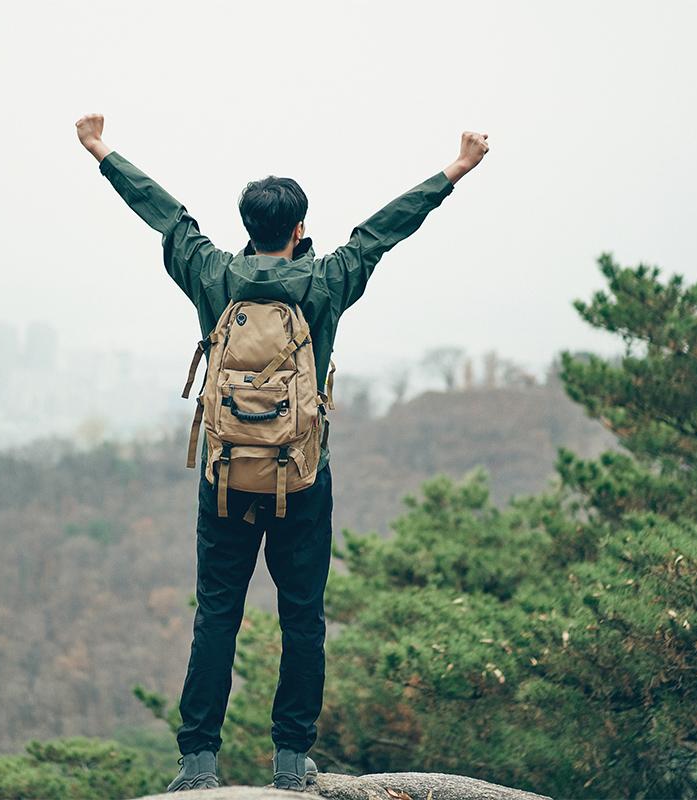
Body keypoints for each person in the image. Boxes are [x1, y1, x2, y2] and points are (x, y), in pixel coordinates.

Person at [75, 113, 489, 792]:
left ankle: (198, 761)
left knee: (217, 614)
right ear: (299, 228)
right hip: (301, 481)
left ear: (248, 226)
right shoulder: (325, 282)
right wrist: (457, 168)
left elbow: (165, 215)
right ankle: (292, 760)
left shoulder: (212, 276)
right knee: (302, 617)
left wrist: (101, 150)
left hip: (225, 479)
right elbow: (382, 230)